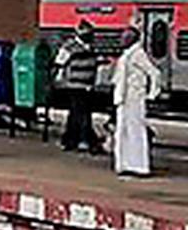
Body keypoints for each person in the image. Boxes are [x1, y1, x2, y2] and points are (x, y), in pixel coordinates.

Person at [113, 27, 161, 177]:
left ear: (132, 39)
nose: (122, 39)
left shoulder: (138, 54)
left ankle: (139, 166)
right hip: (123, 98)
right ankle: (124, 164)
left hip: (134, 98)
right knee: (122, 131)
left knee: (136, 131)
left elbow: (154, 73)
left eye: (125, 36)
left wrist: (152, 94)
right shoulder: (127, 54)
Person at [54, 20, 104, 153]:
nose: (91, 37)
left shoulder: (91, 47)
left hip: (87, 85)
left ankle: (70, 140)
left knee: (77, 113)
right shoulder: (69, 47)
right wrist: (59, 80)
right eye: (89, 34)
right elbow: (60, 62)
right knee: (82, 113)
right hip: (74, 85)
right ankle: (84, 140)